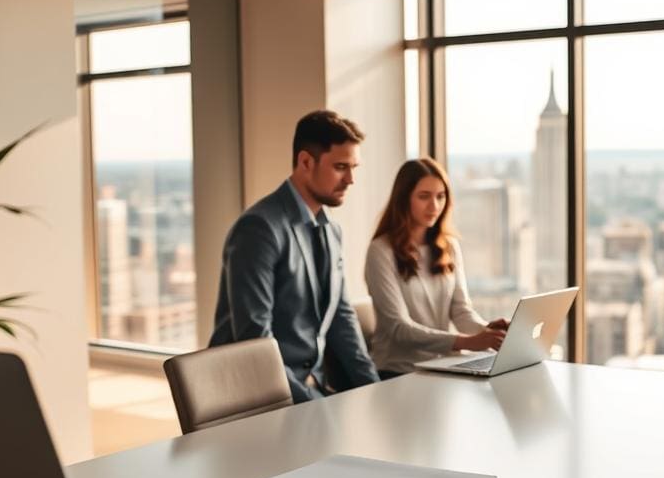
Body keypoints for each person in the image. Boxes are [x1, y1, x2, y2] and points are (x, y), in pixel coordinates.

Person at [209, 110, 379, 402]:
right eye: (340, 167)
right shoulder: (259, 228)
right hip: (251, 397)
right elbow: (255, 340)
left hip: (309, 389)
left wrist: (375, 390)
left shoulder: (332, 230)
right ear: (305, 162)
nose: (350, 179)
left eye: (354, 167)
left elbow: (341, 318)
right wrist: (313, 404)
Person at [364, 158, 509, 378]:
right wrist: (469, 342)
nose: (434, 206)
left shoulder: (448, 246)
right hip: (397, 371)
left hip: (442, 365)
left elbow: (461, 311)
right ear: (403, 199)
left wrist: (489, 332)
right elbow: (398, 328)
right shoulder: (381, 251)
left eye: (440, 196)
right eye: (424, 196)